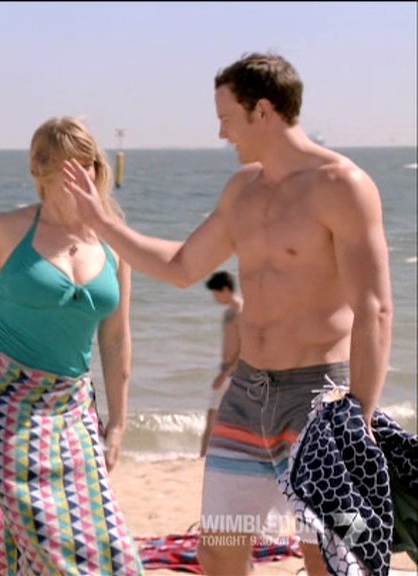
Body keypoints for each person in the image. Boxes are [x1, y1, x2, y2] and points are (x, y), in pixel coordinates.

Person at [63, 52, 392, 576]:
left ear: (262, 111)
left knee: (325, 558)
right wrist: (102, 223)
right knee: (218, 551)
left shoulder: (342, 186)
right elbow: (181, 266)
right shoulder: (242, 190)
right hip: (246, 395)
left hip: (317, 398)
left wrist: (362, 419)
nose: (221, 133)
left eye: (226, 118)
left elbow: (374, 309)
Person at [0, 117, 143, 574]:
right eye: (66, 168)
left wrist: (117, 423)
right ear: (38, 170)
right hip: (2, 398)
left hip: (73, 407)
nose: (80, 179)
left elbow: (116, 338)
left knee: (112, 550)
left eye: (88, 166)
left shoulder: (113, 242)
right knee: (51, 546)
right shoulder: (4, 231)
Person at [200, 271, 242, 457]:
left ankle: (205, 455)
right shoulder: (228, 312)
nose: (214, 298)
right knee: (214, 415)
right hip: (226, 369)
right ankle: (204, 455)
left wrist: (224, 374)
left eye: (216, 293)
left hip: (235, 372)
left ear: (226, 289)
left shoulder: (241, 312)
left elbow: (244, 348)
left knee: (215, 415)